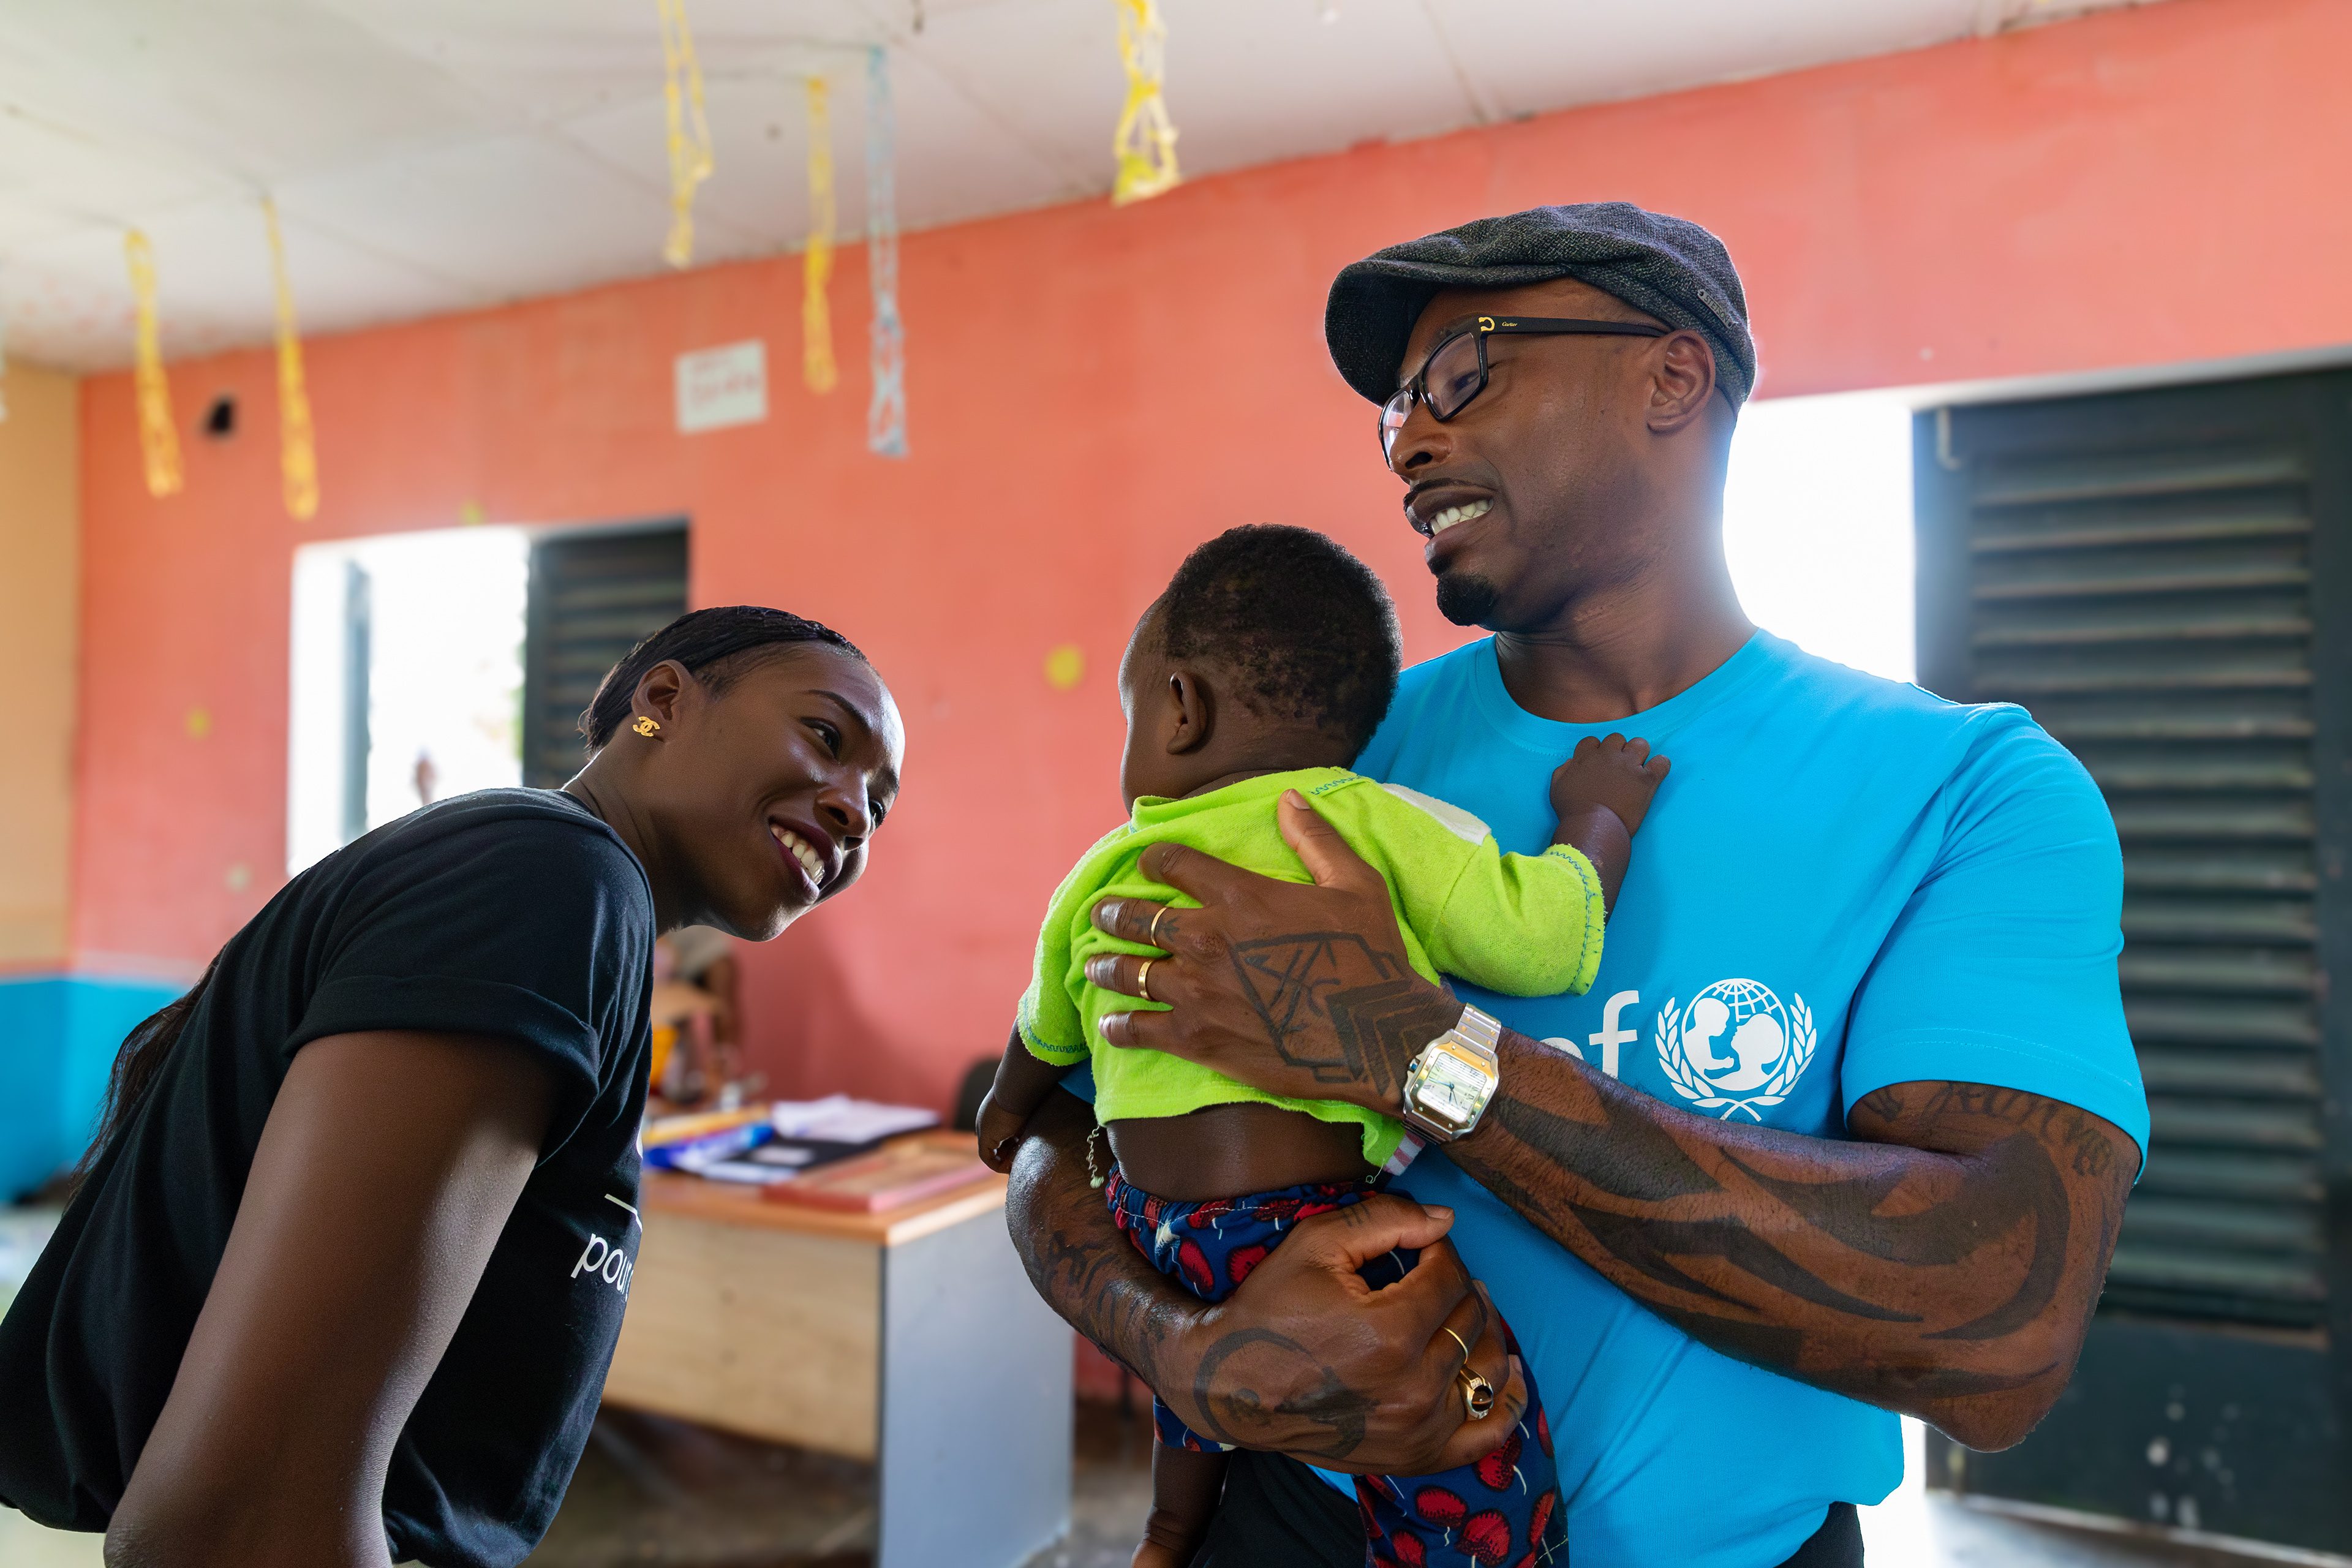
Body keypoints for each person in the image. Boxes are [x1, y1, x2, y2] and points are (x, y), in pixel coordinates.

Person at [999, 203, 2147, 1568]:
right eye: (1393, 414)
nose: (1412, 439)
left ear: (1672, 377)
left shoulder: (1967, 788)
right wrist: (1182, 1350)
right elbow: (1046, 1135)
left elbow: (1997, 1326)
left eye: (1463, 373)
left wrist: (1421, 1050)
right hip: (1297, 1527)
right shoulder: (1322, 763)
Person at [0, 606, 903, 1568]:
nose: (853, 808)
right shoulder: (554, 883)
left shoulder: (568, 892)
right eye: (825, 736)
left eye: (879, 805)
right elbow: (246, 1519)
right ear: (665, 702)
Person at [979, 525, 1668, 1568]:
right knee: (1466, 1418)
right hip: (1303, 1225)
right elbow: (1545, 940)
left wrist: (1000, 1109)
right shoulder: (1368, 823)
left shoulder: (1107, 863)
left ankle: (1171, 1530)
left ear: (1180, 706)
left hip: (1150, 1225)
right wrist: (1599, 820)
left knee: (1206, 1374)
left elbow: (1044, 1033)